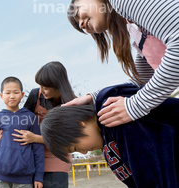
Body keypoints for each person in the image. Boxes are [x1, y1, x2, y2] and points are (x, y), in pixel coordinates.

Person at [40, 83, 179, 188]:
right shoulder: (108, 146)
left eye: (76, 147)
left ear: (80, 125)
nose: (84, 151)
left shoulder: (114, 116)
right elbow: (135, 184)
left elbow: (153, 172)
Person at [66, 0, 179, 128]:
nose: (81, 24)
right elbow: (141, 80)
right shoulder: (136, 27)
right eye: (77, 24)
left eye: (77, 11)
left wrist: (135, 106)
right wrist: (95, 98)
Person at [11, 62, 78, 188]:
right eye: (41, 85)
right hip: (38, 154)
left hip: (58, 153)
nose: (42, 90)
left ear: (59, 85)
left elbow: (67, 140)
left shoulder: (71, 104)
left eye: (46, 87)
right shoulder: (36, 95)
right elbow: (22, 118)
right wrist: (3, 129)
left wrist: (36, 138)